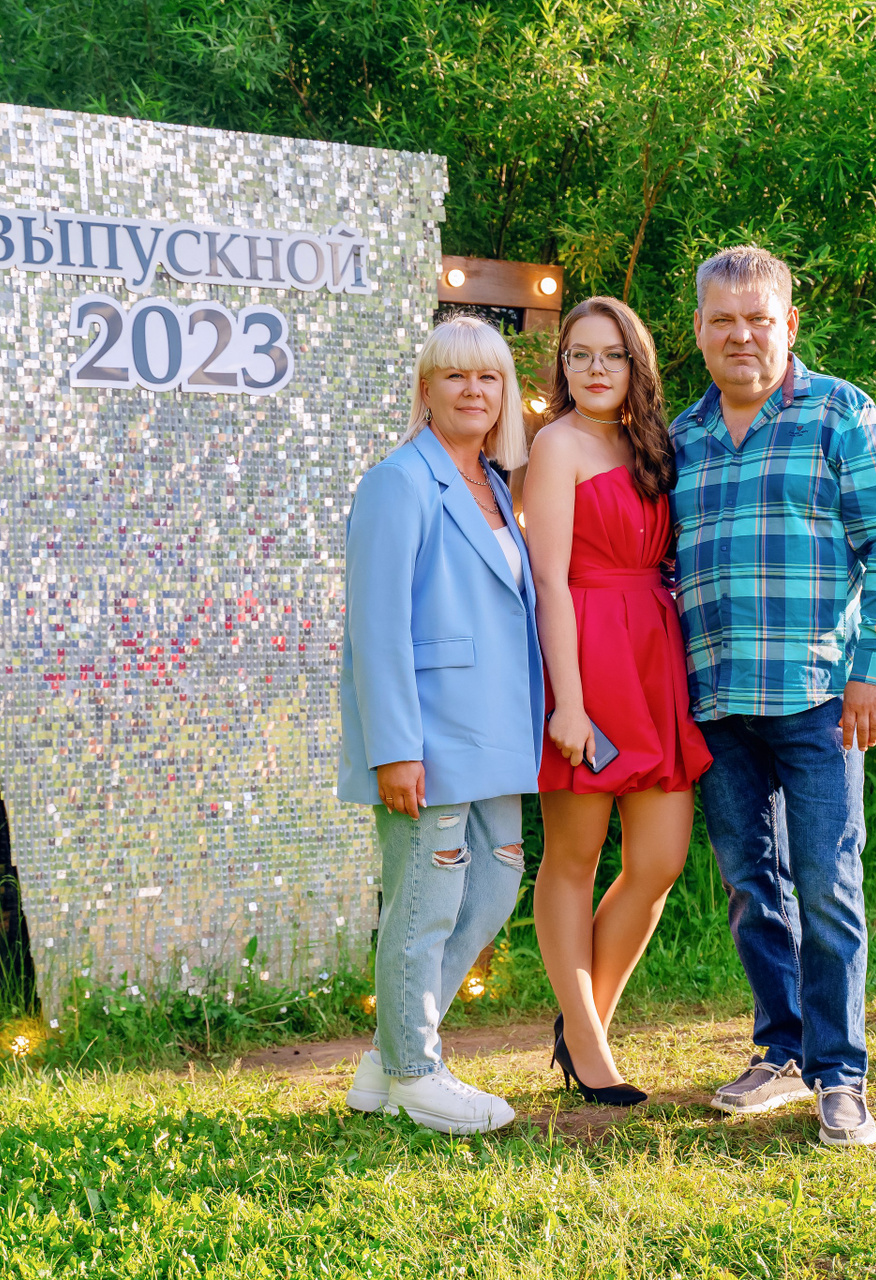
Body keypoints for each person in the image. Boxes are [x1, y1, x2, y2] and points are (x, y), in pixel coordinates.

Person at [670, 246, 876, 1148]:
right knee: (752, 887)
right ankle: (780, 1052)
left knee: (826, 885)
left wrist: (874, 666)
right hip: (718, 700)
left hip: (821, 695)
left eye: (758, 319)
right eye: (723, 320)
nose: (741, 335)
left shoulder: (839, 413)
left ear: (788, 324)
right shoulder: (682, 437)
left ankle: (841, 1074)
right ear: (698, 330)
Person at [336, 317, 542, 1136]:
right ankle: (417, 1073)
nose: (473, 391)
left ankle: (386, 1060)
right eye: (455, 376)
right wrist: (395, 748)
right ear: (427, 390)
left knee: (492, 889)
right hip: (430, 734)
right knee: (425, 901)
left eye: (488, 378)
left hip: (494, 731)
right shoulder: (398, 482)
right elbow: (376, 625)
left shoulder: (494, 482)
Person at [524, 297, 713, 1106]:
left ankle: (581, 1028)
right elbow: (548, 580)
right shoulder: (556, 444)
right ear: (562, 366)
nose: (594, 369)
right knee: (574, 858)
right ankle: (592, 1048)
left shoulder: (653, 446)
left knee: (659, 861)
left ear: (638, 365)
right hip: (588, 655)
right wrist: (568, 703)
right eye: (579, 355)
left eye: (611, 355)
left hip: (654, 656)